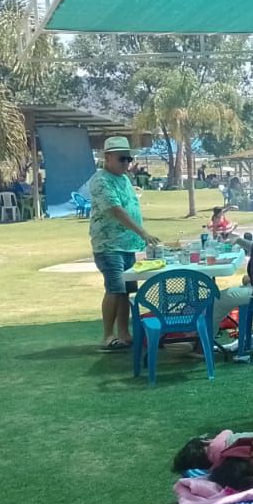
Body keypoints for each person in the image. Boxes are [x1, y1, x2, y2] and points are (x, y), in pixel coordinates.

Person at [88, 135, 163, 352]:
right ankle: (107, 335)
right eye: (122, 159)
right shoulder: (101, 181)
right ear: (108, 157)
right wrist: (143, 233)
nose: (126, 163)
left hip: (128, 245)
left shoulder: (124, 179)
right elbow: (116, 210)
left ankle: (123, 333)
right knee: (115, 289)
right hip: (109, 245)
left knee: (126, 290)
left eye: (128, 159)